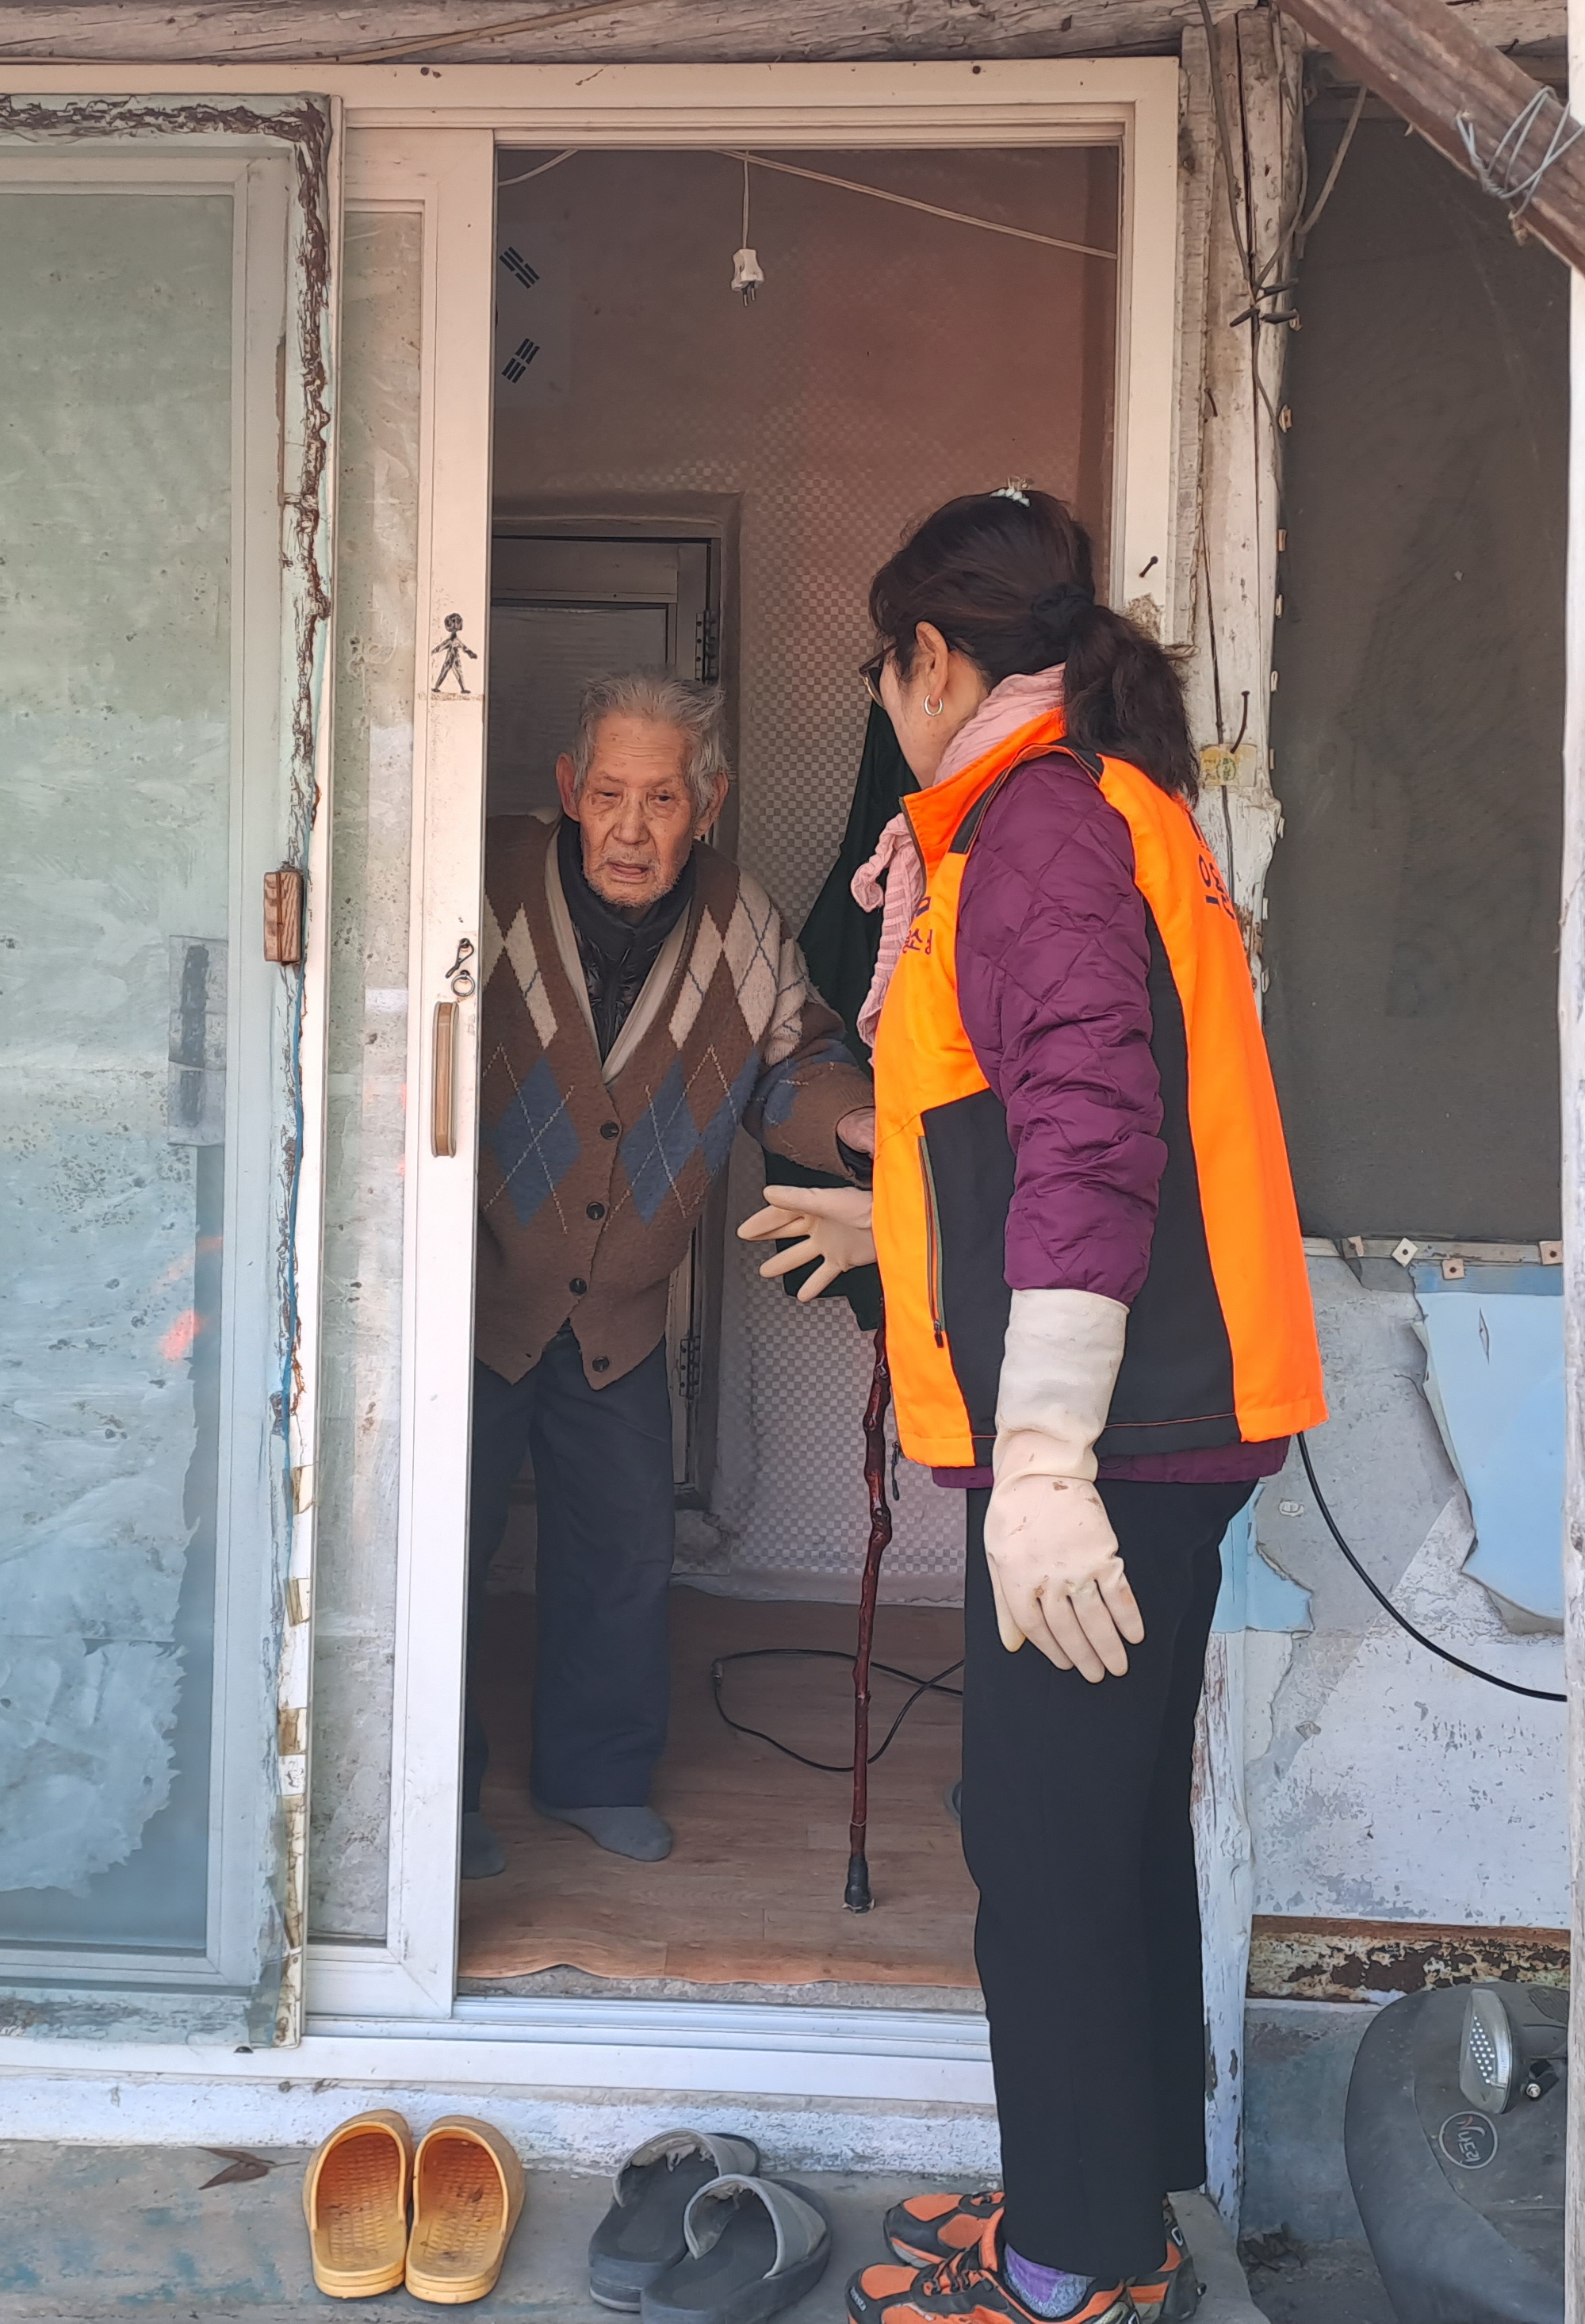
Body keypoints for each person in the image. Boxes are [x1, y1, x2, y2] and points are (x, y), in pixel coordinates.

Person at [745, 489, 1324, 2324]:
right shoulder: (1081, 809)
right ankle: (1112, 2207)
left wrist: (1047, 1464)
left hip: (1115, 1438)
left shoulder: (1037, 831)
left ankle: (1068, 2270)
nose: (880, 704)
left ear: (930, 661)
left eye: (880, 671)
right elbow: (1028, 1134)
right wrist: (894, 1226)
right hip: (1157, 1416)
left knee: (1043, 1840)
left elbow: (1087, 1143)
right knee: (1102, 1822)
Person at [468, 668, 876, 1884]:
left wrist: (858, 1130)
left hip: (621, 1316)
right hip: (466, 1302)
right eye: (609, 795)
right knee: (437, 1552)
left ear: (709, 802)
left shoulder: (743, 924)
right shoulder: (476, 878)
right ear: (568, 791)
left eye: (661, 799)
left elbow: (794, 1064)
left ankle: (596, 1776)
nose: (631, 829)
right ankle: (430, 1795)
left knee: (622, 1556)